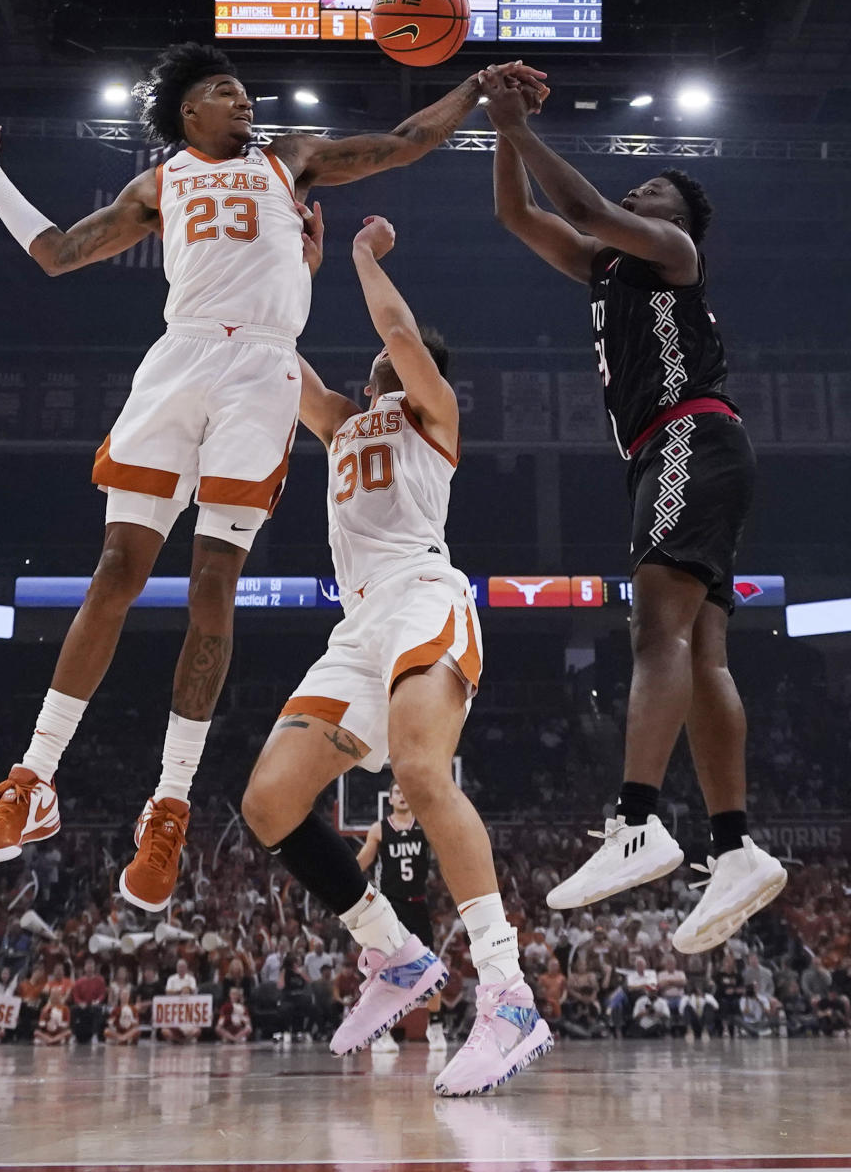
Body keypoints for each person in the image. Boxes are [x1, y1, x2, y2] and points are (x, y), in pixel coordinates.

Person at [0, 41, 547, 914]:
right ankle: (33, 779)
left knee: (213, 587)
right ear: (191, 112)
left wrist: (475, 87)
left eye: (244, 89)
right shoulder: (158, 183)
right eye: (228, 91)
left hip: (264, 372)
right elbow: (56, 252)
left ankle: (171, 803)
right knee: (117, 569)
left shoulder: (288, 157)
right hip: (179, 359)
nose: (245, 100)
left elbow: (408, 139)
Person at [242, 212, 553, 1097]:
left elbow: (398, 330)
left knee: (421, 771)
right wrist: (283, 266)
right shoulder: (343, 422)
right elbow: (275, 358)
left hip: (424, 595)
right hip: (358, 626)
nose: (377, 358)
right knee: (268, 802)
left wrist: (360, 255)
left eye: (395, 357)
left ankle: (507, 991)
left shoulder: (433, 414)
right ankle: (396, 952)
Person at [481, 63, 786, 954]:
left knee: (656, 633)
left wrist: (520, 124)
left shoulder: (673, 254)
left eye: (654, 189)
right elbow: (518, 215)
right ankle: (734, 848)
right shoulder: (604, 266)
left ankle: (638, 820)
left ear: (678, 222)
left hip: (688, 435)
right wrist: (505, 132)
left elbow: (583, 209)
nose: (636, 190)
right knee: (699, 648)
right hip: (688, 449)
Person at [357, 779, 446, 1052]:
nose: (403, 795)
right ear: (390, 798)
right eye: (397, 791)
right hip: (390, 908)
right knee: (385, 971)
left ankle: (437, 1027)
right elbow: (361, 863)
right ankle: (380, 1032)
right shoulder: (379, 829)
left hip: (418, 905)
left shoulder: (426, 826)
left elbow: (447, 853)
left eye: (407, 791)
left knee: (431, 968)